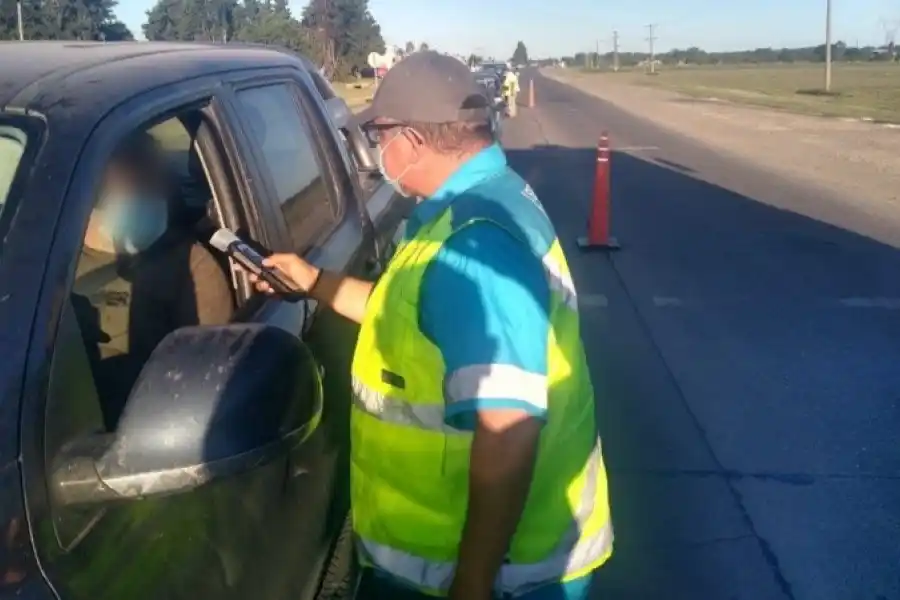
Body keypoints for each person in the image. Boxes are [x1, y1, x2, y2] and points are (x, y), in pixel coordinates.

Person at [247, 51, 613, 600]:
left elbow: (508, 431)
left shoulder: (473, 246)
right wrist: (315, 282)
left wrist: (472, 582)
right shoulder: (478, 204)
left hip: (497, 575)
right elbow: (414, 316)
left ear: (414, 141)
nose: (377, 151)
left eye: (380, 135)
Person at [73, 131, 235, 430]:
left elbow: (208, 382)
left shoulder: (190, 265)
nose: (153, 193)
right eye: (136, 182)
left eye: (157, 182)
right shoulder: (47, 257)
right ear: (94, 187)